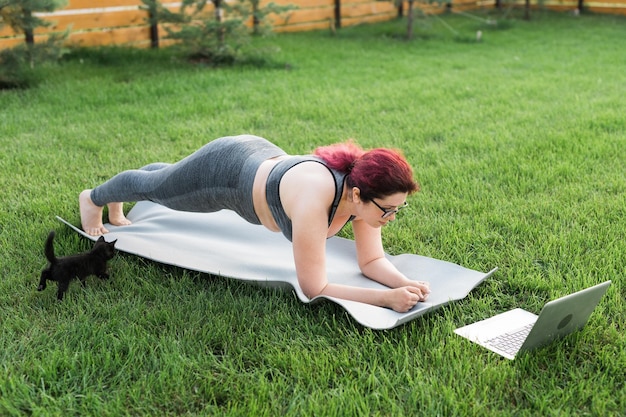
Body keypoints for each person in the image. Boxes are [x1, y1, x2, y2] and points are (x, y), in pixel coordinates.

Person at [79, 134, 430, 312]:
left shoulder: (364, 199)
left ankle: (160, 179)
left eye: (398, 209)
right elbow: (314, 288)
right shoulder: (315, 200)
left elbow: (370, 261)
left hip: (260, 157)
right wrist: (385, 300)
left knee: (169, 182)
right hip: (228, 172)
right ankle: (94, 198)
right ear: (356, 195)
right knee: (160, 190)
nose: (391, 218)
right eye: (387, 210)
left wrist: (405, 283)